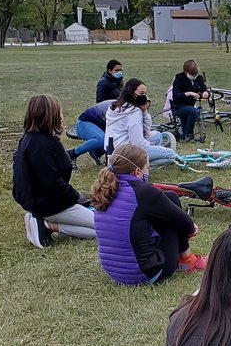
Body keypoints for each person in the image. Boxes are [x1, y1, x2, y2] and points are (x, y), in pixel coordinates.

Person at [91, 143, 206, 284]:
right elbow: (186, 225)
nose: (147, 172)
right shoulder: (144, 192)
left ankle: (185, 259)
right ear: (137, 172)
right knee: (172, 205)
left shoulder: (105, 190)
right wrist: (191, 228)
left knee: (168, 198)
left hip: (115, 272)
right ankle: (187, 260)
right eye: (147, 168)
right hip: (146, 272)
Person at [12, 94, 97, 248]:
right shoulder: (40, 145)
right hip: (49, 203)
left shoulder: (33, 138)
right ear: (49, 116)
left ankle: (48, 223)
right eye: (59, 113)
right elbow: (51, 184)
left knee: (95, 215)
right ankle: (47, 225)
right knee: (107, 230)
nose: (62, 117)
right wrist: (76, 197)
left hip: (46, 200)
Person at [104, 79, 179, 170]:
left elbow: (146, 132)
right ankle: (138, 168)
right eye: (142, 93)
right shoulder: (133, 113)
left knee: (158, 136)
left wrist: (144, 112)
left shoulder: (116, 108)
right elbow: (138, 142)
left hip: (113, 150)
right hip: (127, 153)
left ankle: (140, 162)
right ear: (132, 93)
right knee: (171, 155)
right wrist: (151, 146)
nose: (144, 97)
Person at [171, 59, 210, 142]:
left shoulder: (199, 78)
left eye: (195, 74)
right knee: (194, 111)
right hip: (179, 106)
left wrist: (206, 93)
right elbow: (176, 95)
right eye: (191, 74)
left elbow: (204, 89)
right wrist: (189, 93)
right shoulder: (179, 78)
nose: (193, 76)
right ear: (186, 71)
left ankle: (183, 136)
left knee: (191, 112)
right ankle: (189, 135)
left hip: (190, 105)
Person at [66, 100, 110, 168]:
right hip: (83, 124)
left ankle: (96, 152)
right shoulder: (121, 109)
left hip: (95, 125)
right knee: (102, 139)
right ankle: (71, 154)